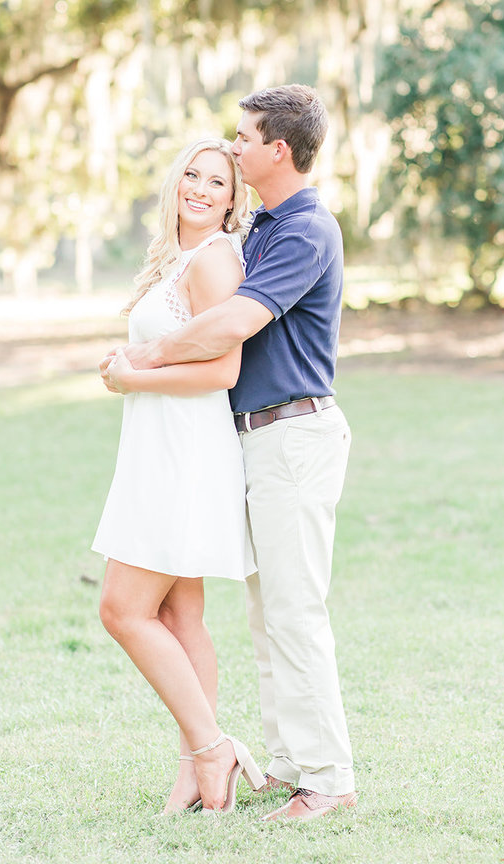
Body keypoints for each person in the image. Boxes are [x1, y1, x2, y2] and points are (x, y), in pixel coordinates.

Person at [102, 84, 357, 823]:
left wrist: (143, 357)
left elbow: (230, 328)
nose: (234, 149)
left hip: (294, 433)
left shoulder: (308, 228)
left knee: (294, 611)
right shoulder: (268, 226)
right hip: (251, 439)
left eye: (243, 141)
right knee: (265, 611)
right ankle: (285, 763)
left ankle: (330, 781)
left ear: (278, 149)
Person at [93, 136, 265, 815]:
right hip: (159, 445)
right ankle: (198, 773)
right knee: (178, 611)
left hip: (184, 454)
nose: (199, 188)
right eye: (191, 175)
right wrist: (133, 365)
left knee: (121, 609)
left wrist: (134, 373)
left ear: (231, 201)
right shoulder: (185, 259)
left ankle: (212, 749)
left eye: (216, 182)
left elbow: (224, 370)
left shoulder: (215, 262)